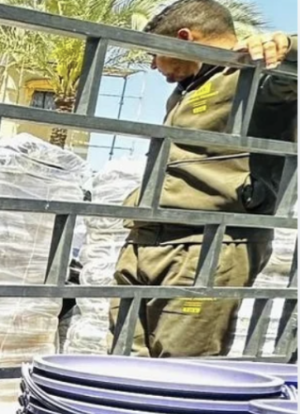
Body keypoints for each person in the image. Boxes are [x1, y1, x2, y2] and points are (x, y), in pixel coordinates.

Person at [113, 0, 297, 357]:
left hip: (209, 243)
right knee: (123, 360)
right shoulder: (188, 90)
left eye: (156, 54)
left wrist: (288, 45)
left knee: (181, 370)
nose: (153, 66)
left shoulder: (258, 76)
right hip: (146, 239)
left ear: (185, 37)